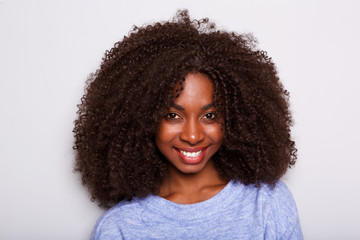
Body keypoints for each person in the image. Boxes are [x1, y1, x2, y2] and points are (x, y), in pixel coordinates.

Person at [73, 10, 303, 239]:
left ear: (234, 119)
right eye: (173, 116)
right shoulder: (119, 227)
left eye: (210, 116)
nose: (192, 136)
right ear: (142, 120)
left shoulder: (267, 204)